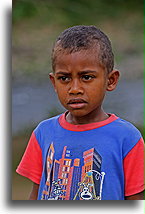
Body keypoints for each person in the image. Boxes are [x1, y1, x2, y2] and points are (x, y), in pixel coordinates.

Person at [16, 25, 144, 200]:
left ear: (111, 80)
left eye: (86, 77)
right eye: (64, 78)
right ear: (54, 83)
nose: (74, 89)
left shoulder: (127, 138)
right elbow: (36, 194)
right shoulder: (43, 133)